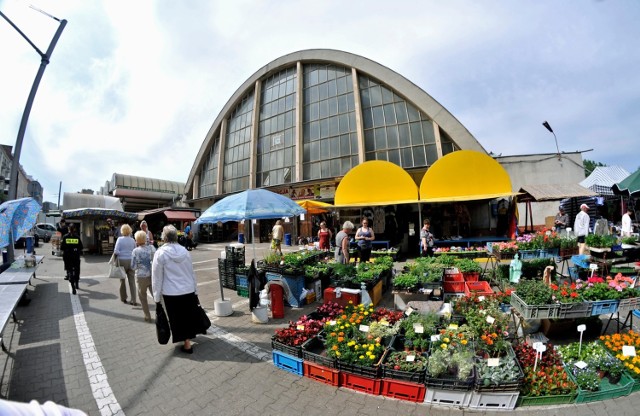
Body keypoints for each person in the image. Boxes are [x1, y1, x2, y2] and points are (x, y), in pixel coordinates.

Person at [152, 225, 200, 354]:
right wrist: (195, 290)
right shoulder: (184, 251)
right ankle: (187, 342)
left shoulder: (160, 253)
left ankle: (186, 343)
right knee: (187, 316)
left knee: (176, 318)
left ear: (164, 237)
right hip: (188, 289)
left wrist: (156, 297)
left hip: (171, 292)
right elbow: (191, 272)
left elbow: (157, 277)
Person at [131, 230, 157, 322]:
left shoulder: (135, 251)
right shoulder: (152, 248)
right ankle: (161, 314)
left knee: (142, 297)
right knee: (156, 296)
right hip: (152, 275)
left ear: (137, 240)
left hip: (141, 276)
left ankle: (147, 316)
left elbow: (133, 267)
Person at [114, 224, 137, 305]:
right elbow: (135, 250)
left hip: (122, 261)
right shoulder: (132, 240)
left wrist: (115, 260)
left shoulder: (119, 239)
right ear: (130, 230)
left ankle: (124, 298)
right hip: (131, 260)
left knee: (122, 281)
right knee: (132, 281)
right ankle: (134, 300)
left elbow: (116, 251)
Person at [60, 223, 83, 295]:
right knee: (76, 270)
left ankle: (73, 286)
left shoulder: (65, 237)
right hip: (76, 256)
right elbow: (81, 247)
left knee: (70, 271)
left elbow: (62, 248)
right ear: (75, 229)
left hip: (67, 257)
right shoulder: (77, 237)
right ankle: (77, 283)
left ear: (68, 229)